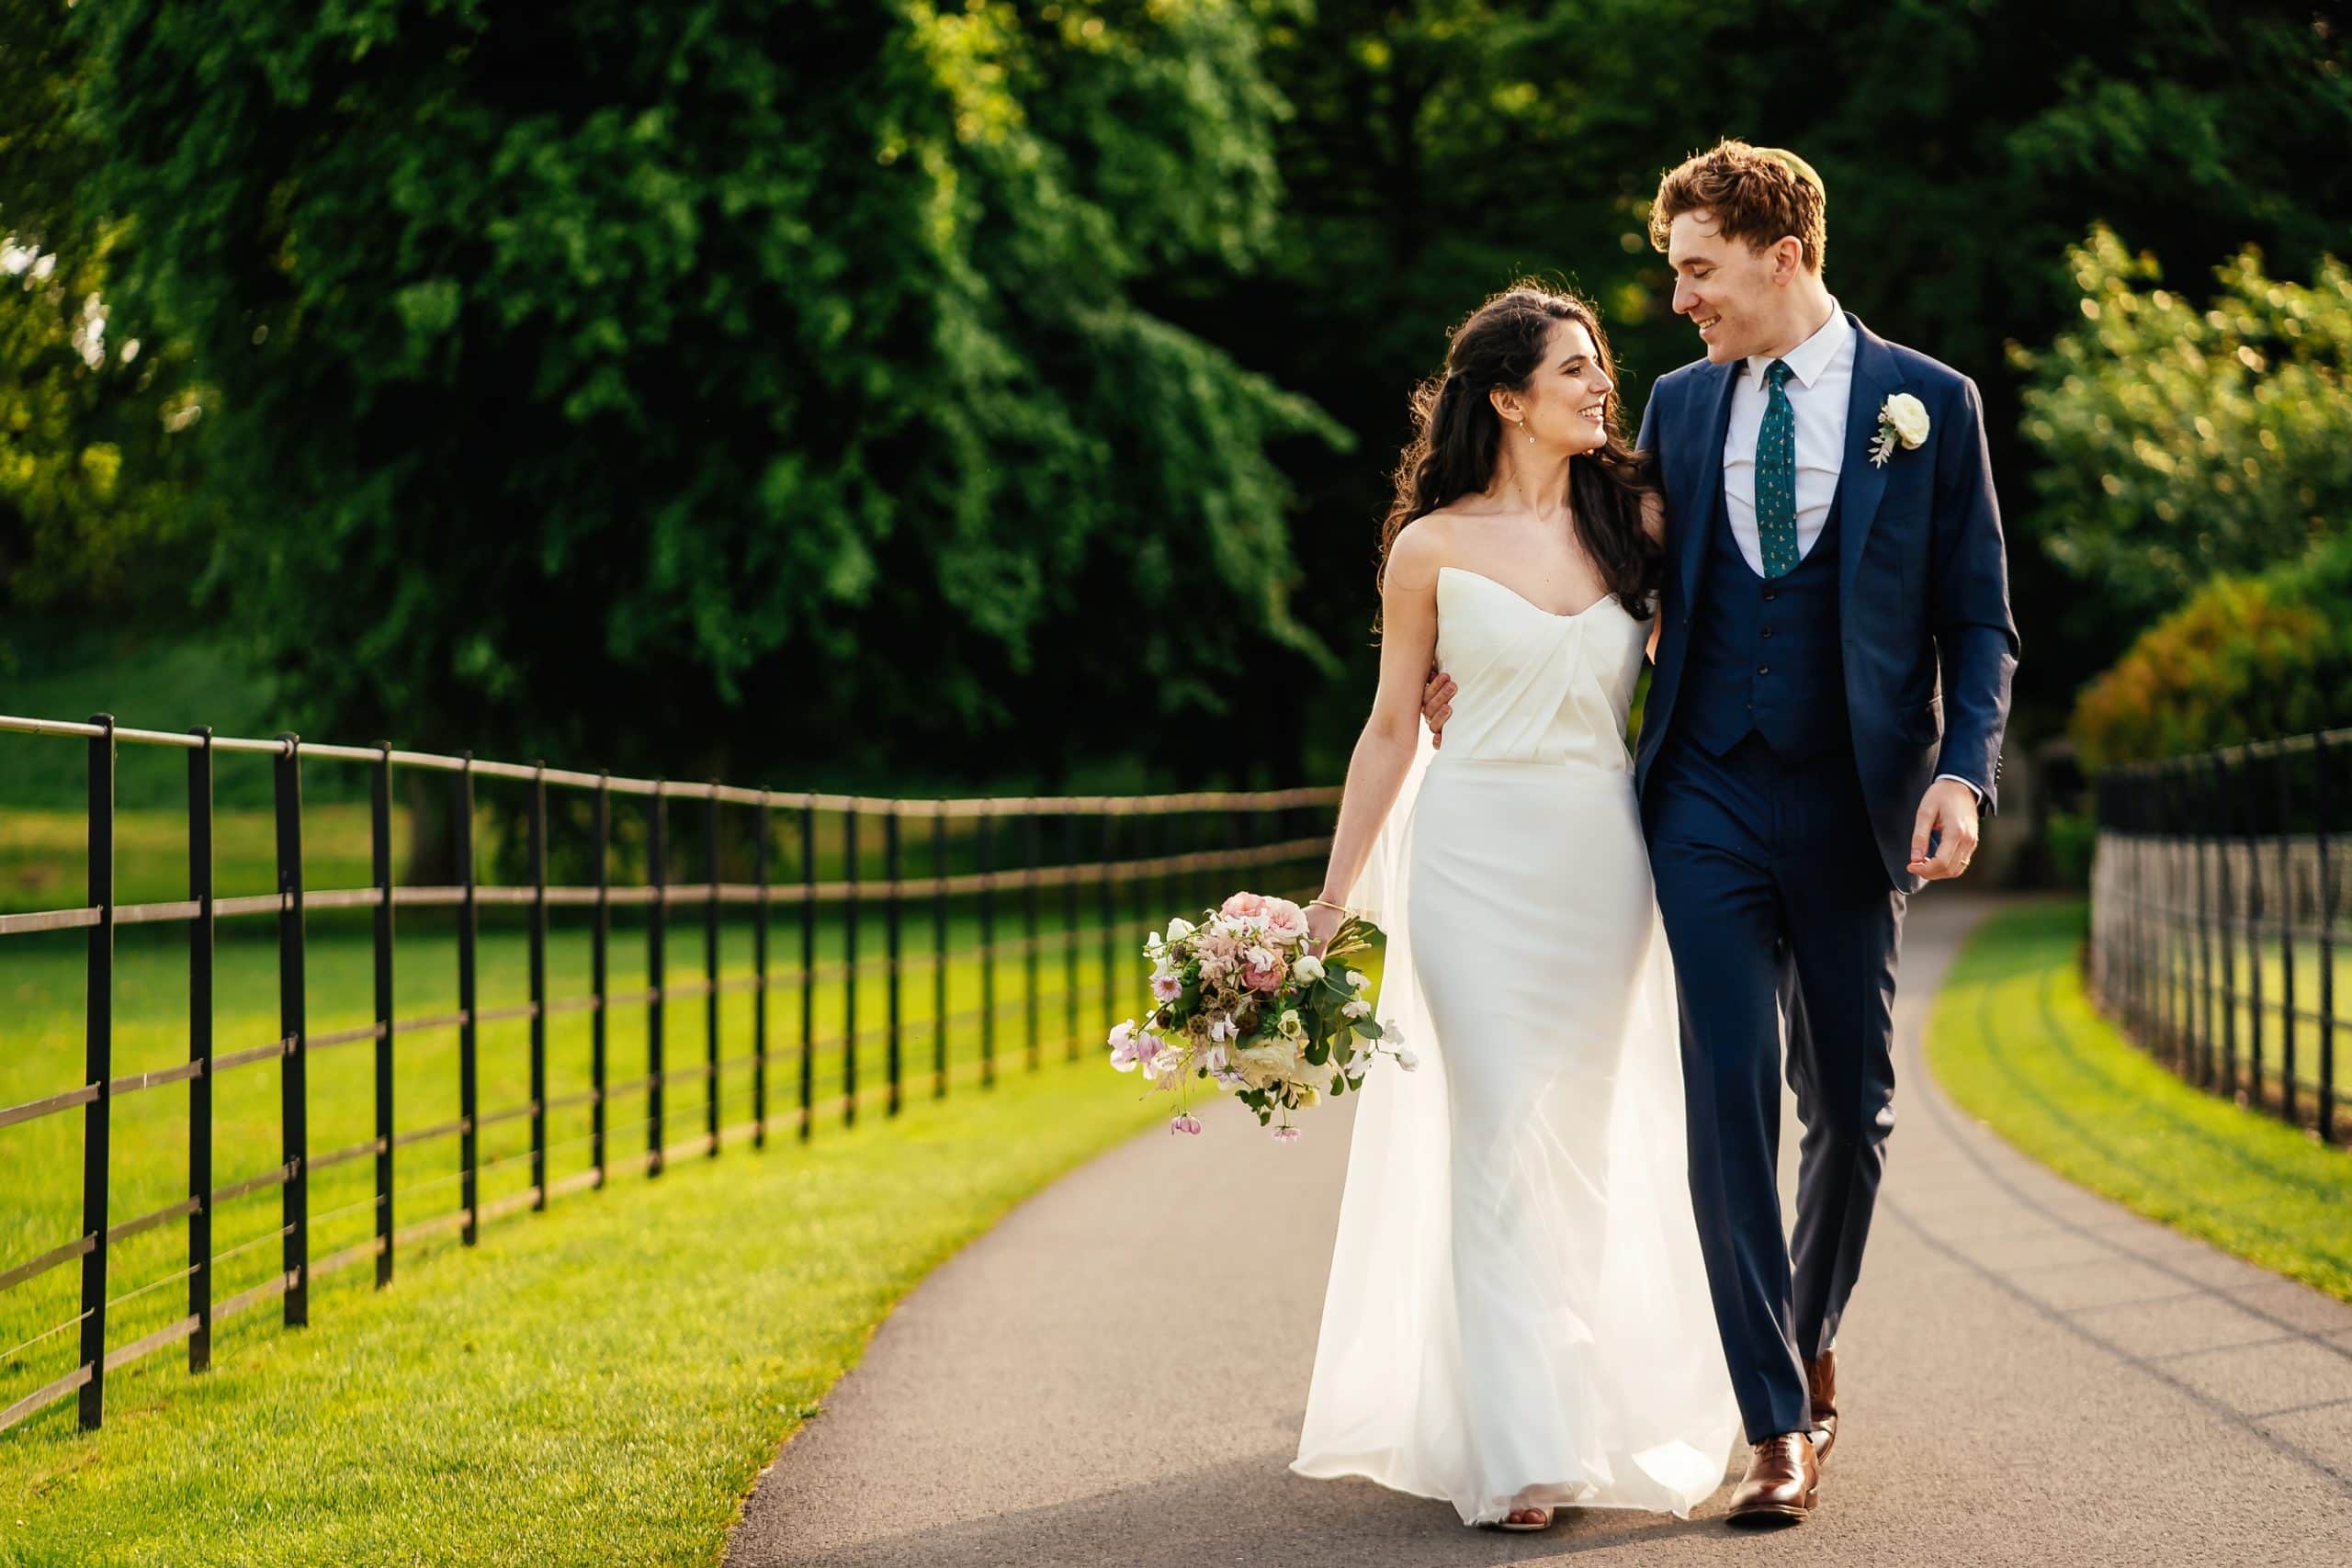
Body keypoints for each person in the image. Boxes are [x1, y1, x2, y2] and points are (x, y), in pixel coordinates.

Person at [1419, 141, 2018, 1525]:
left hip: (1859, 799)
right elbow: (1556, 536)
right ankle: (1769, 1423)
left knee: (1852, 1109)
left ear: (1779, 254)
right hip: (1698, 794)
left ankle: (1805, 1340)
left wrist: (1963, 775)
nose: (1679, 301)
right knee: (1728, 1091)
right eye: (1674, 274)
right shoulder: (1679, 414)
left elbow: (1979, 617)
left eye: (1696, 271)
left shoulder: (1930, 405)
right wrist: (1482, 661)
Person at [1288, 283, 1740, 1532]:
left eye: (1603, 367)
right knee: (1492, 1140)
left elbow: (1712, 666)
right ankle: (1522, 1447)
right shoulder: (1429, 546)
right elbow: (1389, 728)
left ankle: (1577, 1402)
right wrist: (1333, 898)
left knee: (1576, 1145)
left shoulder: (1642, 520)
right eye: (1577, 371)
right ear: (1506, 397)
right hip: (1471, 857)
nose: (1605, 387)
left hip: (1599, 858)